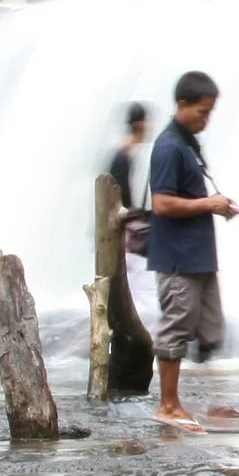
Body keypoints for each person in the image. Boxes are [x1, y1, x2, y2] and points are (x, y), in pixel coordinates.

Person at [150, 71, 239, 431]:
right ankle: (168, 405)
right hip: (178, 258)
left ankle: (210, 403)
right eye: (203, 112)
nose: (207, 120)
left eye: (211, 112)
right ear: (182, 104)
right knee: (177, 328)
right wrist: (208, 204)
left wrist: (216, 205)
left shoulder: (186, 143)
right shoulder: (169, 147)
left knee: (210, 331)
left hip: (198, 256)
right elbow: (162, 204)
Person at [107, 103, 157, 316]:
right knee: (142, 290)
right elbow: (118, 198)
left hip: (129, 232)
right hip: (130, 234)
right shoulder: (124, 157)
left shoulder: (127, 154)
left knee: (138, 289)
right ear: (139, 123)